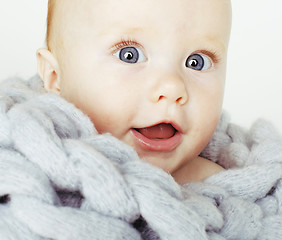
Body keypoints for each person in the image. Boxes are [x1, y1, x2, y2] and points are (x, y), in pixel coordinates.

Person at [36, 0, 232, 184]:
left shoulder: (222, 188)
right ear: (55, 77)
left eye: (196, 62)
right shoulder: (32, 172)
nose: (172, 88)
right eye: (129, 55)